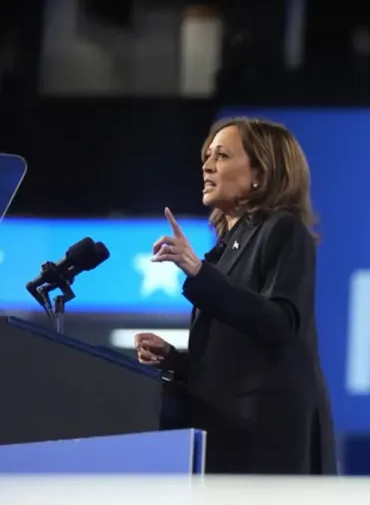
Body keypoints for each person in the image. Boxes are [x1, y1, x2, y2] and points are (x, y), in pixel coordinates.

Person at [134, 116, 337, 475]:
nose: (208, 166)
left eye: (223, 156)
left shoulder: (284, 230)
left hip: (267, 443)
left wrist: (198, 272)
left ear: (261, 172)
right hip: (226, 434)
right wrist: (176, 361)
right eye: (207, 157)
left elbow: (280, 324)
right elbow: (237, 353)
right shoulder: (225, 248)